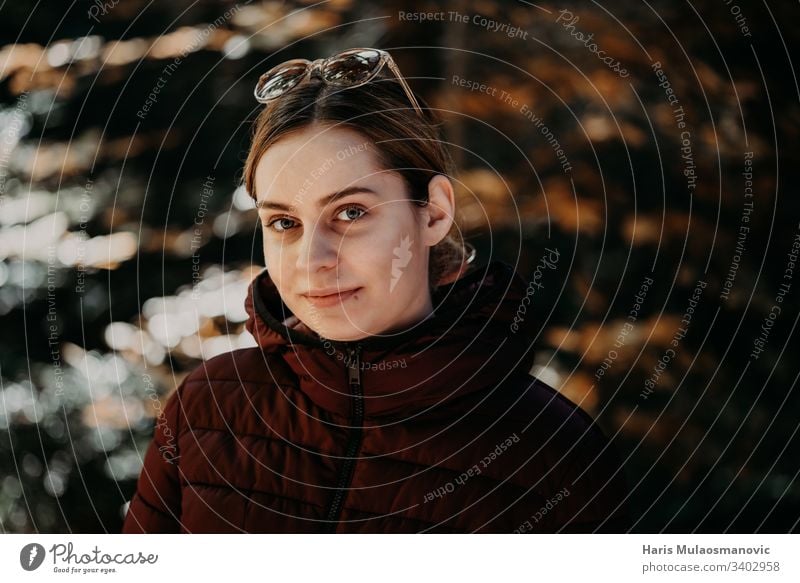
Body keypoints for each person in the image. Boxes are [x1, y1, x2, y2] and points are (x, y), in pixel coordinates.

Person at [122, 48, 630, 533]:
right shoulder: (208, 407)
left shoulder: (554, 454)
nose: (311, 259)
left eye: (351, 212)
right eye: (283, 222)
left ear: (433, 212)